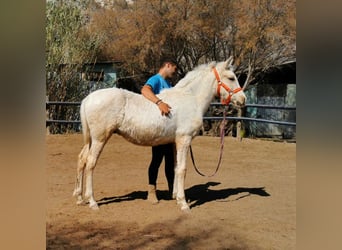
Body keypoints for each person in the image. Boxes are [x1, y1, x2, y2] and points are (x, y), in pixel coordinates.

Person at [141, 57, 178, 204]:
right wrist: (159, 102)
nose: (175, 73)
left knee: (170, 161)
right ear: (168, 65)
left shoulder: (169, 84)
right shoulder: (156, 79)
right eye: (174, 69)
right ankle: (151, 191)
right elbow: (145, 90)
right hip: (159, 129)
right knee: (156, 159)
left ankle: (172, 190)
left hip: (169, 130)